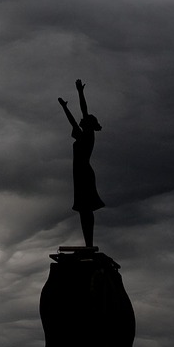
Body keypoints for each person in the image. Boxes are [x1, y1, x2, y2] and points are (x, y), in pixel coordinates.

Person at [58, 79, 104, 248]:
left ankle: (90, 245)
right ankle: (88, 244)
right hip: (78, 174)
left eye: (86, 119)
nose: (82, 119)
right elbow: (72, 121)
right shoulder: (80, 134)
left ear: (90, 123)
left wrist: (80, 92)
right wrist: (64, 107)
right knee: (82, 211)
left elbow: (84, 110)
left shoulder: (89, 134)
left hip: (84, 172)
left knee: (87, 209)